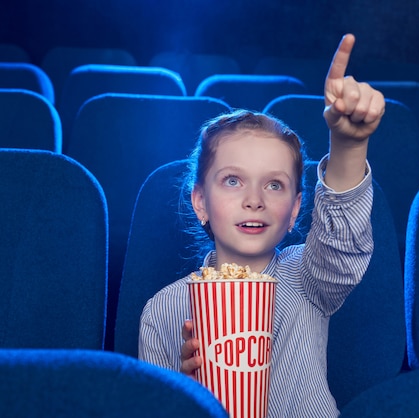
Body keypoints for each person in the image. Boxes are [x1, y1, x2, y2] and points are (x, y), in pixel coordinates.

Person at [138, 33, 385, 417]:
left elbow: (341, 246)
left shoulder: (307, 277)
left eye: (274, 184)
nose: (254, 199)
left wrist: (348, 146)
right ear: (200, 201)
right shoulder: (161, 312)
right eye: (233, 181)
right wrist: (183, 395)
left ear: (294, 211)